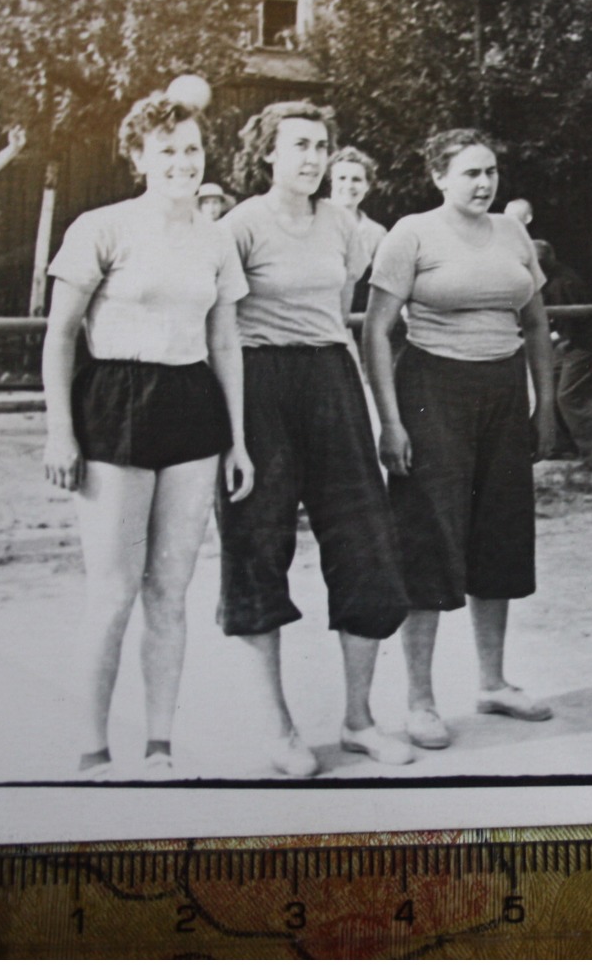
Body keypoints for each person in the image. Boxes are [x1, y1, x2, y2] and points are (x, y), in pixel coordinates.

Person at [40, 93, 252, 777]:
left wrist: (238, 440)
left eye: (191, 149)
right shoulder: (101, 227)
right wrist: (59, 433)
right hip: (114, 405)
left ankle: (159, 745)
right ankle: (91, 749)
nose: (182, 163)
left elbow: (224, 340)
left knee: (170, 590)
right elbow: (61, 335)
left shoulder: (216, 237)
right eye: (166, 151)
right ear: (138, 157)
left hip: (191, 406)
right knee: (112, 592)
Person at [216, 102, 417, 774]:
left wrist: (372, 407)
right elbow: (216, 327)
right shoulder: (239, 225)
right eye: (297, 144)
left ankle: (359, 719)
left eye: (321, 145)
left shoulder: (346, 226)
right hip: (259, 382)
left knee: (367, 543)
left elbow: (343, 313)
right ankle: (278, 729)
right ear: (267, 152)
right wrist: (233, 426)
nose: (311, 157)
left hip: (331, 378)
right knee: (257, 544)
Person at [362, 129, 558, 750]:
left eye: (491, 171)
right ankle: (419, 699)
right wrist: (392, 421)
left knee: (499, 534)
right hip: (431, 389)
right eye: (470, 172)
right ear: (438, 177)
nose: (484, 183)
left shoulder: (512, 232)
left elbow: (535, 320)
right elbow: (376, 331)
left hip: (503, 389)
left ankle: (493, 682)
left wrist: (545, 401)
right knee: (429, 537)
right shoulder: (411, 233)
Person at [535, 238, 592, 463]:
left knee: (571, 395)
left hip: (583, 343)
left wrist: (547, 339)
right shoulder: (547, 278)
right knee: (549, 385)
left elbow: (572, 328)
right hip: (567, 341)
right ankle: (562, 445)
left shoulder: (564, 283)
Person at [329, 147, 388, 319]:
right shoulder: (312, 218)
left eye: (356, 179)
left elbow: (387, 282)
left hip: (352, 320)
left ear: (367, 186)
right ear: (331, 181)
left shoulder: (375, 232)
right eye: (341, 178)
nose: (348, 185)